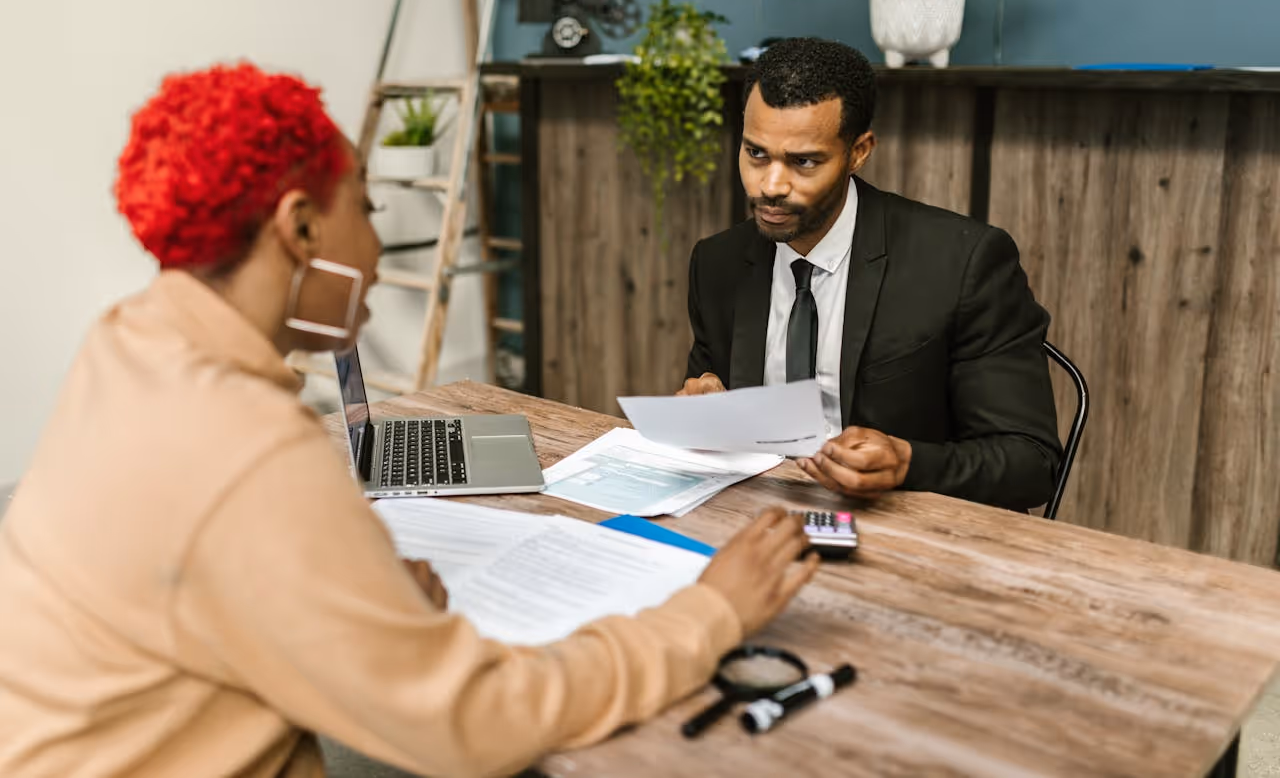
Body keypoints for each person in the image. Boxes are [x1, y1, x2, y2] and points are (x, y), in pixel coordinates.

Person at [0, 63, 819, 778]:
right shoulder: (252, 450)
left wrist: (352, 593)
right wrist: (710, 613)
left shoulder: (128, 342)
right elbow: (476, 724)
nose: (378, 244)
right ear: (302, 229)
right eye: (366, 206)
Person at [680, 38, 1061, 511]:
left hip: (908, 528)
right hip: (759, 518)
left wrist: (908, 464)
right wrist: (701, 413)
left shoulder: (963, 263)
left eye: (803, 162)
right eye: (756, 154)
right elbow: (713, 412)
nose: (771, 186)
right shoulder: (718, 264)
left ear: (859, 151)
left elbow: (1031, 464)